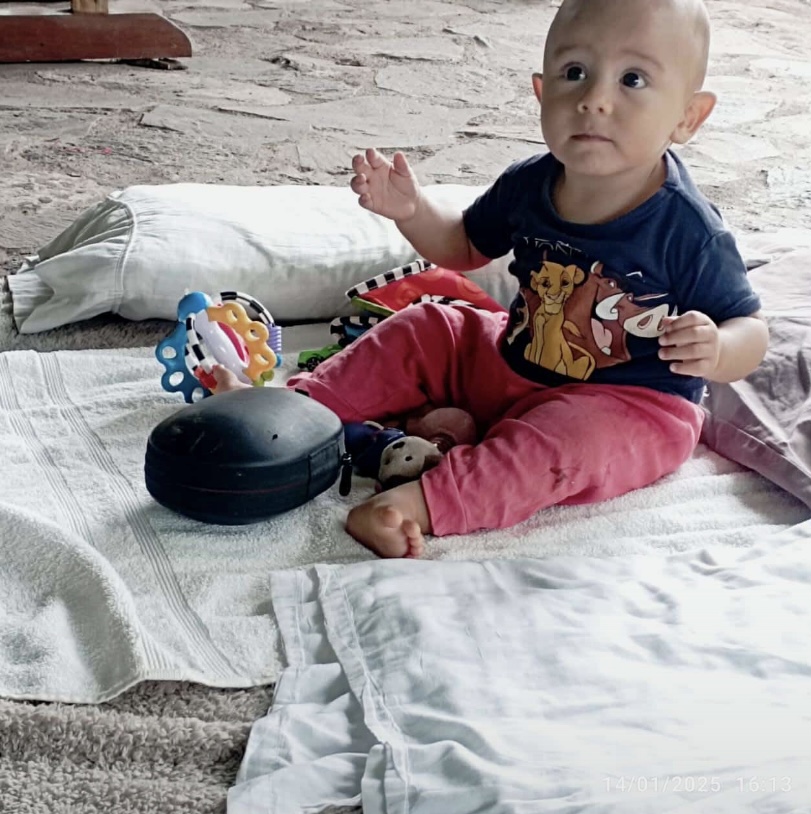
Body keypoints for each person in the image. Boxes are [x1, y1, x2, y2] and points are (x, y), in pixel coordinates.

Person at [216, 0, 768, 560]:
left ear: (688, 117)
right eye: (575, 72)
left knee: (566, 446)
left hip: (628, 404)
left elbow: (749, 327)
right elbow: (463, 247)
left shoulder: (687, 228)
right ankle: (292, 412)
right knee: (431, 323)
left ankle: (420, 502)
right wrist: (413, 211)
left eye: (633, 79)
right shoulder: (530, 183)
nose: (594, 99)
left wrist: (719, 348)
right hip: (511, 362)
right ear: (540, 92)